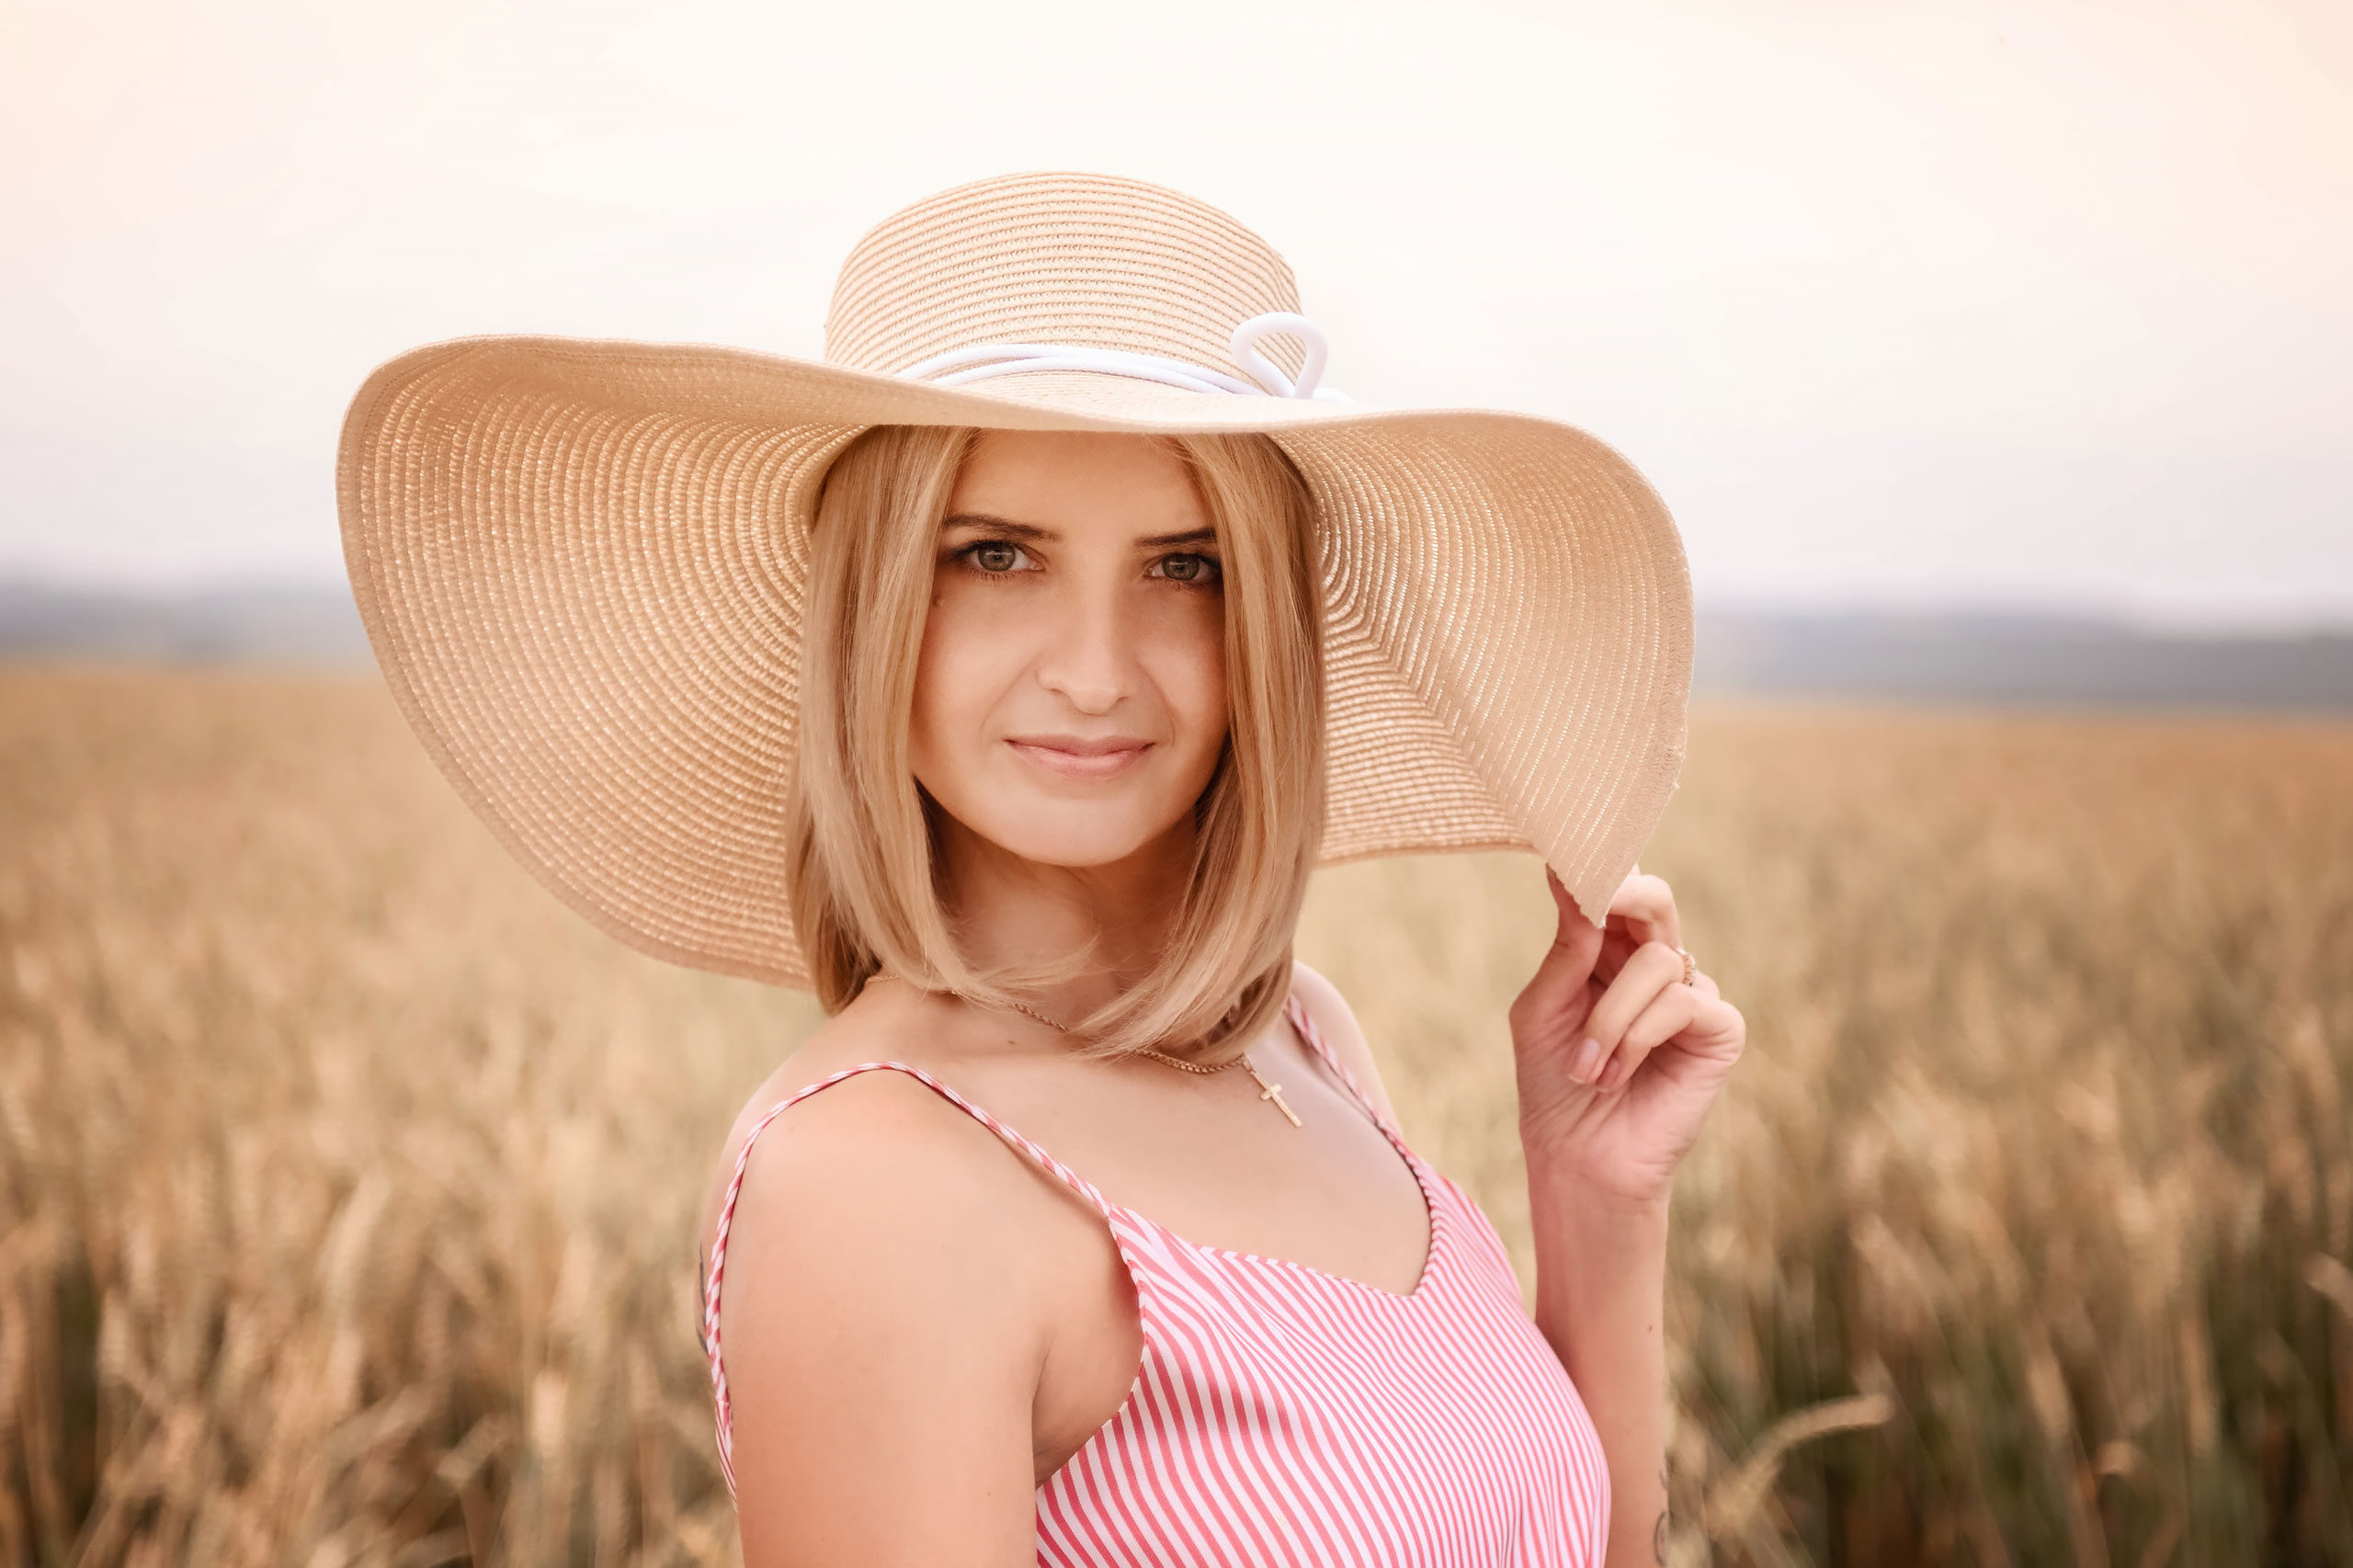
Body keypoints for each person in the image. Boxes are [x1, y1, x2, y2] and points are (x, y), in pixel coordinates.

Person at [339, 172, 1745, 1568]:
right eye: (997, 554)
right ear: (876, 603)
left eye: (1186, 565)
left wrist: (1598, 1201)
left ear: (1263, 625)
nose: (1092, 670)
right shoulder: (878, 1182)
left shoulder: (1301, 1039)